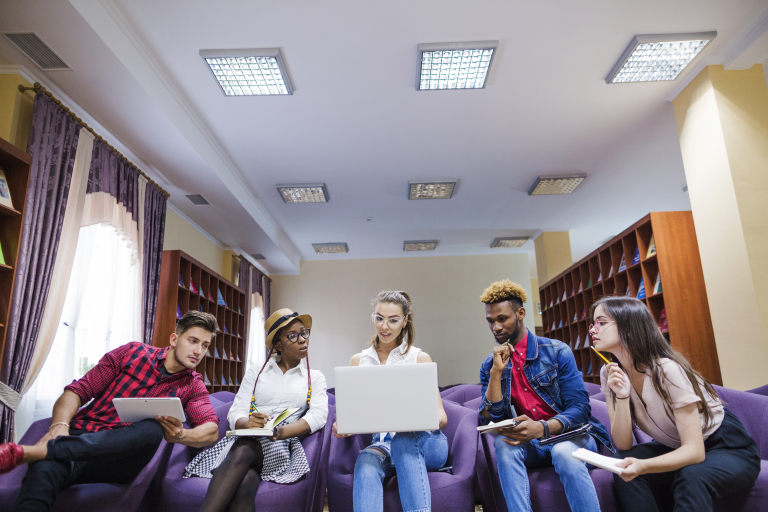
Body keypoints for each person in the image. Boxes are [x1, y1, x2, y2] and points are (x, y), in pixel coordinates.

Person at [0, 311, 221, 512]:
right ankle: (48, 452)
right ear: (174, 339)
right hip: (82, 435)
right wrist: (59, 427)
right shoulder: (132, 353)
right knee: (45, 471)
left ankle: (34, 451)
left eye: (205, 345)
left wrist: (181, 435)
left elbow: (210, 429)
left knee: (153, 428)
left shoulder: (193, 385)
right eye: (193, 341)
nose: (198, 351)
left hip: (119, 460)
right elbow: (78, 390)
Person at [592, 296, 760, 511]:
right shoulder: (609, 373)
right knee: (622, 461)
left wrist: (644, 466)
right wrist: (623, 397)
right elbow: (623, 445)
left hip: (726, 447)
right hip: (677, 445)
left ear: (628, 325)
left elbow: (695, 451)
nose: (593, 330)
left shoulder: (667, 370)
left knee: (693, 474)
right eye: (593, 323)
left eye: (602, 322)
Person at [478, 279, 612, 512]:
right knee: (503, 444)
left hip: (572, 436)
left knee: (562, 450)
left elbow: (580, 409)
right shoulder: (491, 364)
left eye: (502, 319)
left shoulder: (557, 351)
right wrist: (496, 373)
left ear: (520, 313)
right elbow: (491, 418)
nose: (496, 327)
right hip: (534, 445)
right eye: (490, 321)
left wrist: (542, 427)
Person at [186, 308, 328, 512]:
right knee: (246, 481)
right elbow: (236, 412)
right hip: (246, 440)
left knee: (244, 449)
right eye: (293, 336)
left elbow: (318, 415)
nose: (302, 340)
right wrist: (249, 423)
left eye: (304, 333)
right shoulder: (257, 371)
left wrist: (281, 432)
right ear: (278, 344)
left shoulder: (314, 377)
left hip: (279, 445)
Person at [333, 291, 448, 512]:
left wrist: (422, 418)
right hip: (383, 444)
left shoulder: (419, 358)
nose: (384, 326)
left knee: (403, 441)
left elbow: (442, 418)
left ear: (405, 321)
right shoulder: (358, 361)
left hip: (427, 442)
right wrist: (344, 426)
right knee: (366, 461)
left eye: (393, 320)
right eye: (379, 318)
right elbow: (350, 414)